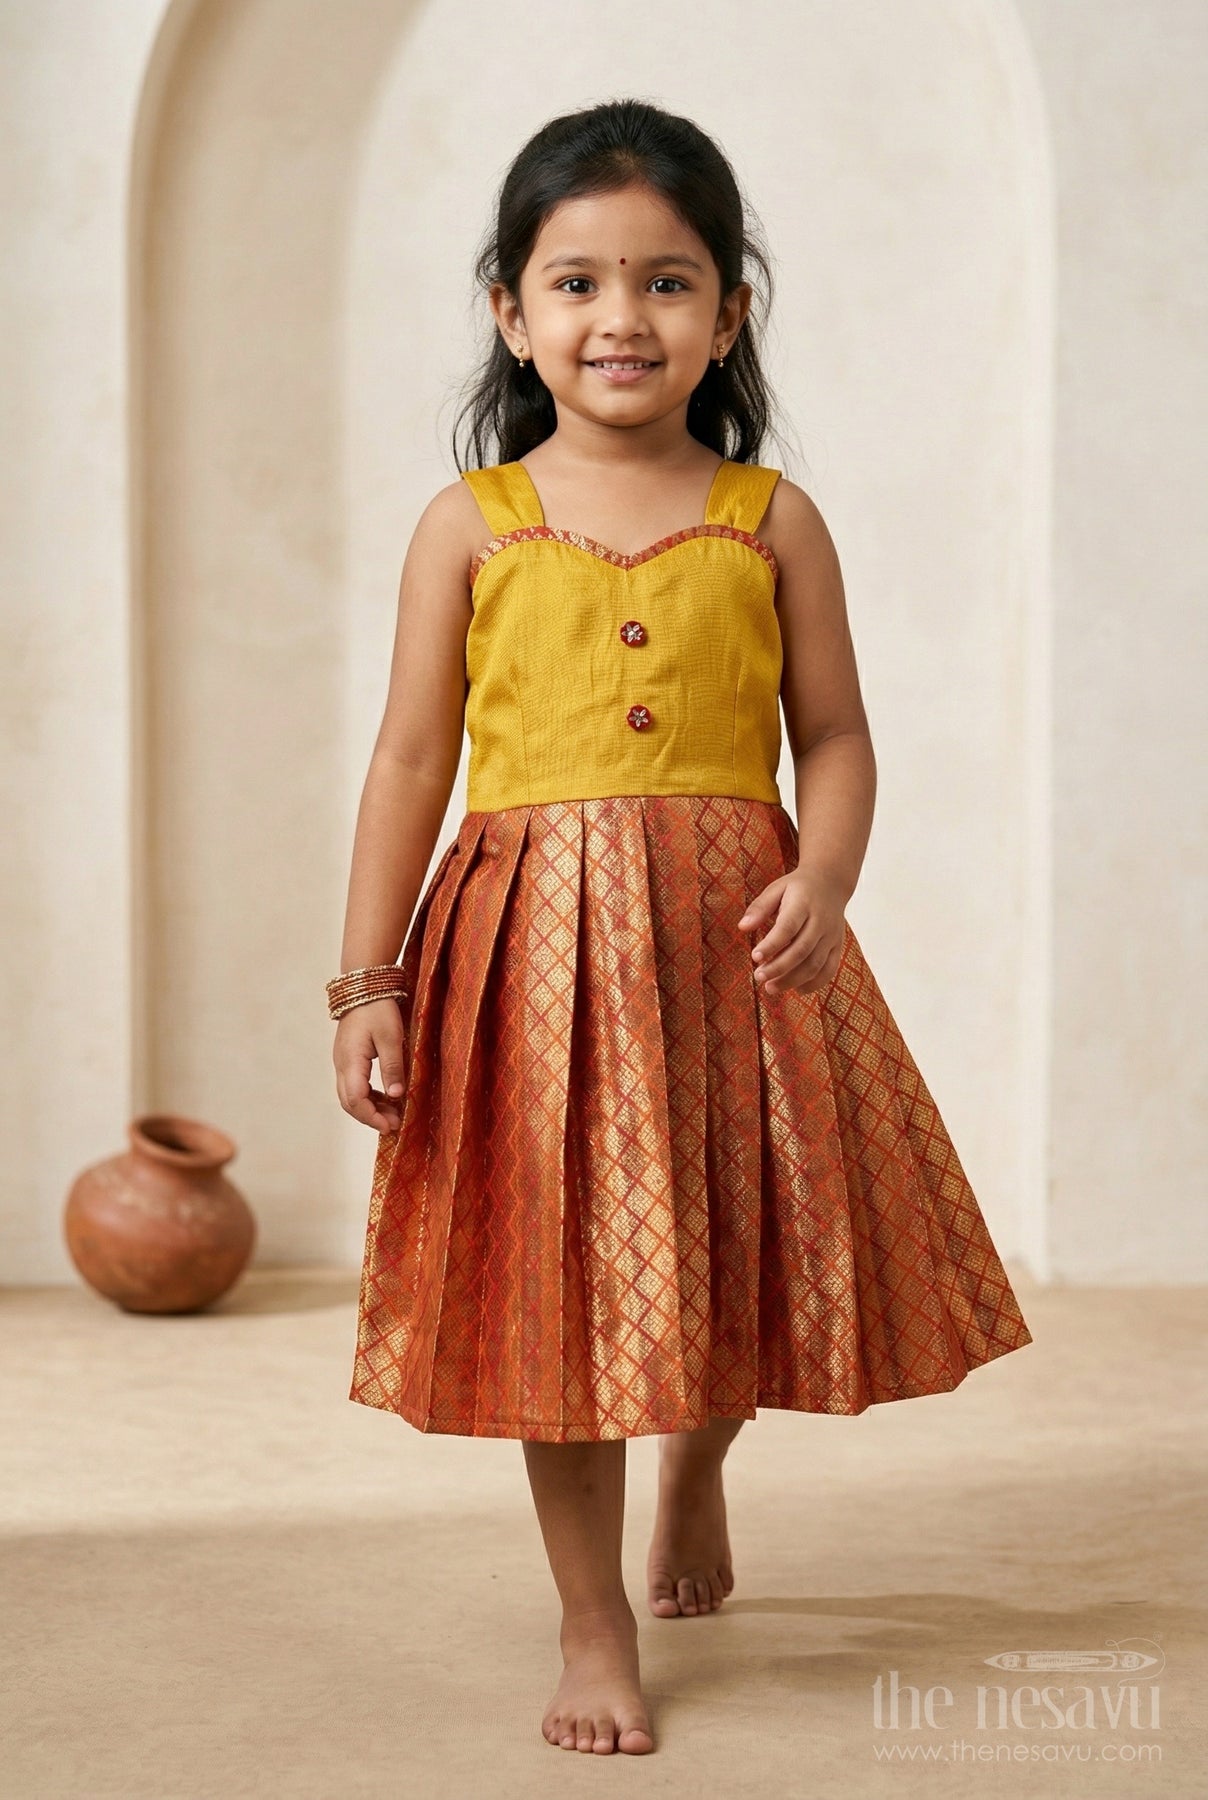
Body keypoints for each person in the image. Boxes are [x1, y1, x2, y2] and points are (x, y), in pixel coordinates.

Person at [329, 97, 1033, 1759]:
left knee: (727, 1248)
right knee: (559, 1291)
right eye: (575, 282)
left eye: (666, 281)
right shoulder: (470, 526)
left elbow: (836, 736)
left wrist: (828, 876)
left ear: (729, 313)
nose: (621, 317)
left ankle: (699, 1464)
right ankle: (593, 1621)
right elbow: (412, 760)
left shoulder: (771, 520)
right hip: (530, 968)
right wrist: (368, 983)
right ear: (512, 314)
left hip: (733, 958)